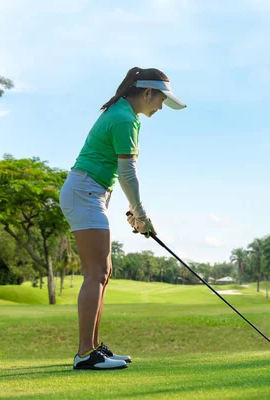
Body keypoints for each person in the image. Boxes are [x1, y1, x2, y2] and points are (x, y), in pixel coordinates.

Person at [59, 67, 186, 370]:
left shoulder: (122, 114)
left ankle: (93, 348)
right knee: (96, 273)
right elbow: (128, 173)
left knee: (104, 271)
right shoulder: (124, 118)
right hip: (85, 193)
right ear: (146, 93)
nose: (160, 108)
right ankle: (85, 354)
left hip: (92, 193)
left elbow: (115, 174)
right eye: (160, 101)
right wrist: (141, 214)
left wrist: (132, 211)